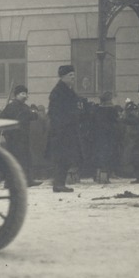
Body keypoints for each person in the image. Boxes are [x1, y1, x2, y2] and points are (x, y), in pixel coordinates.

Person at [45, 65, 82, 193]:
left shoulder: (68, 90)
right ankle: (58, 184)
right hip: (61, 130)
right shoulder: (58, 92)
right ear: (63, 77)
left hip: (68, 129)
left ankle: (60, 183)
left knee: (66, 157)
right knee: (60, 158)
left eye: (73, 75)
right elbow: (55, 113)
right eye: (70, 76)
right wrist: (63, 125)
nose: (73, 78)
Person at [0, 85, 41, 186]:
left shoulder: (13, 106)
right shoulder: (20, 107)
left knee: (19, 159)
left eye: (26, 94)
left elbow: (2, 117)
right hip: (15, 137)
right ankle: (18, 181)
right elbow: (33, 116)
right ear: (17, 95)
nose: (25, 96)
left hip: (20, 137)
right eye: (22, 94)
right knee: (20, 159)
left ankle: (14, 181)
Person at [91, 91, 120, 183]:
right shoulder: (112, 110)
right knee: (108, 154)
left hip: (98, 135)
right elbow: (116, 121)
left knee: (99, 154)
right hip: (109, 135)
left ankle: (97, 175)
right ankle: (105, 176)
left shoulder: (96, 110)